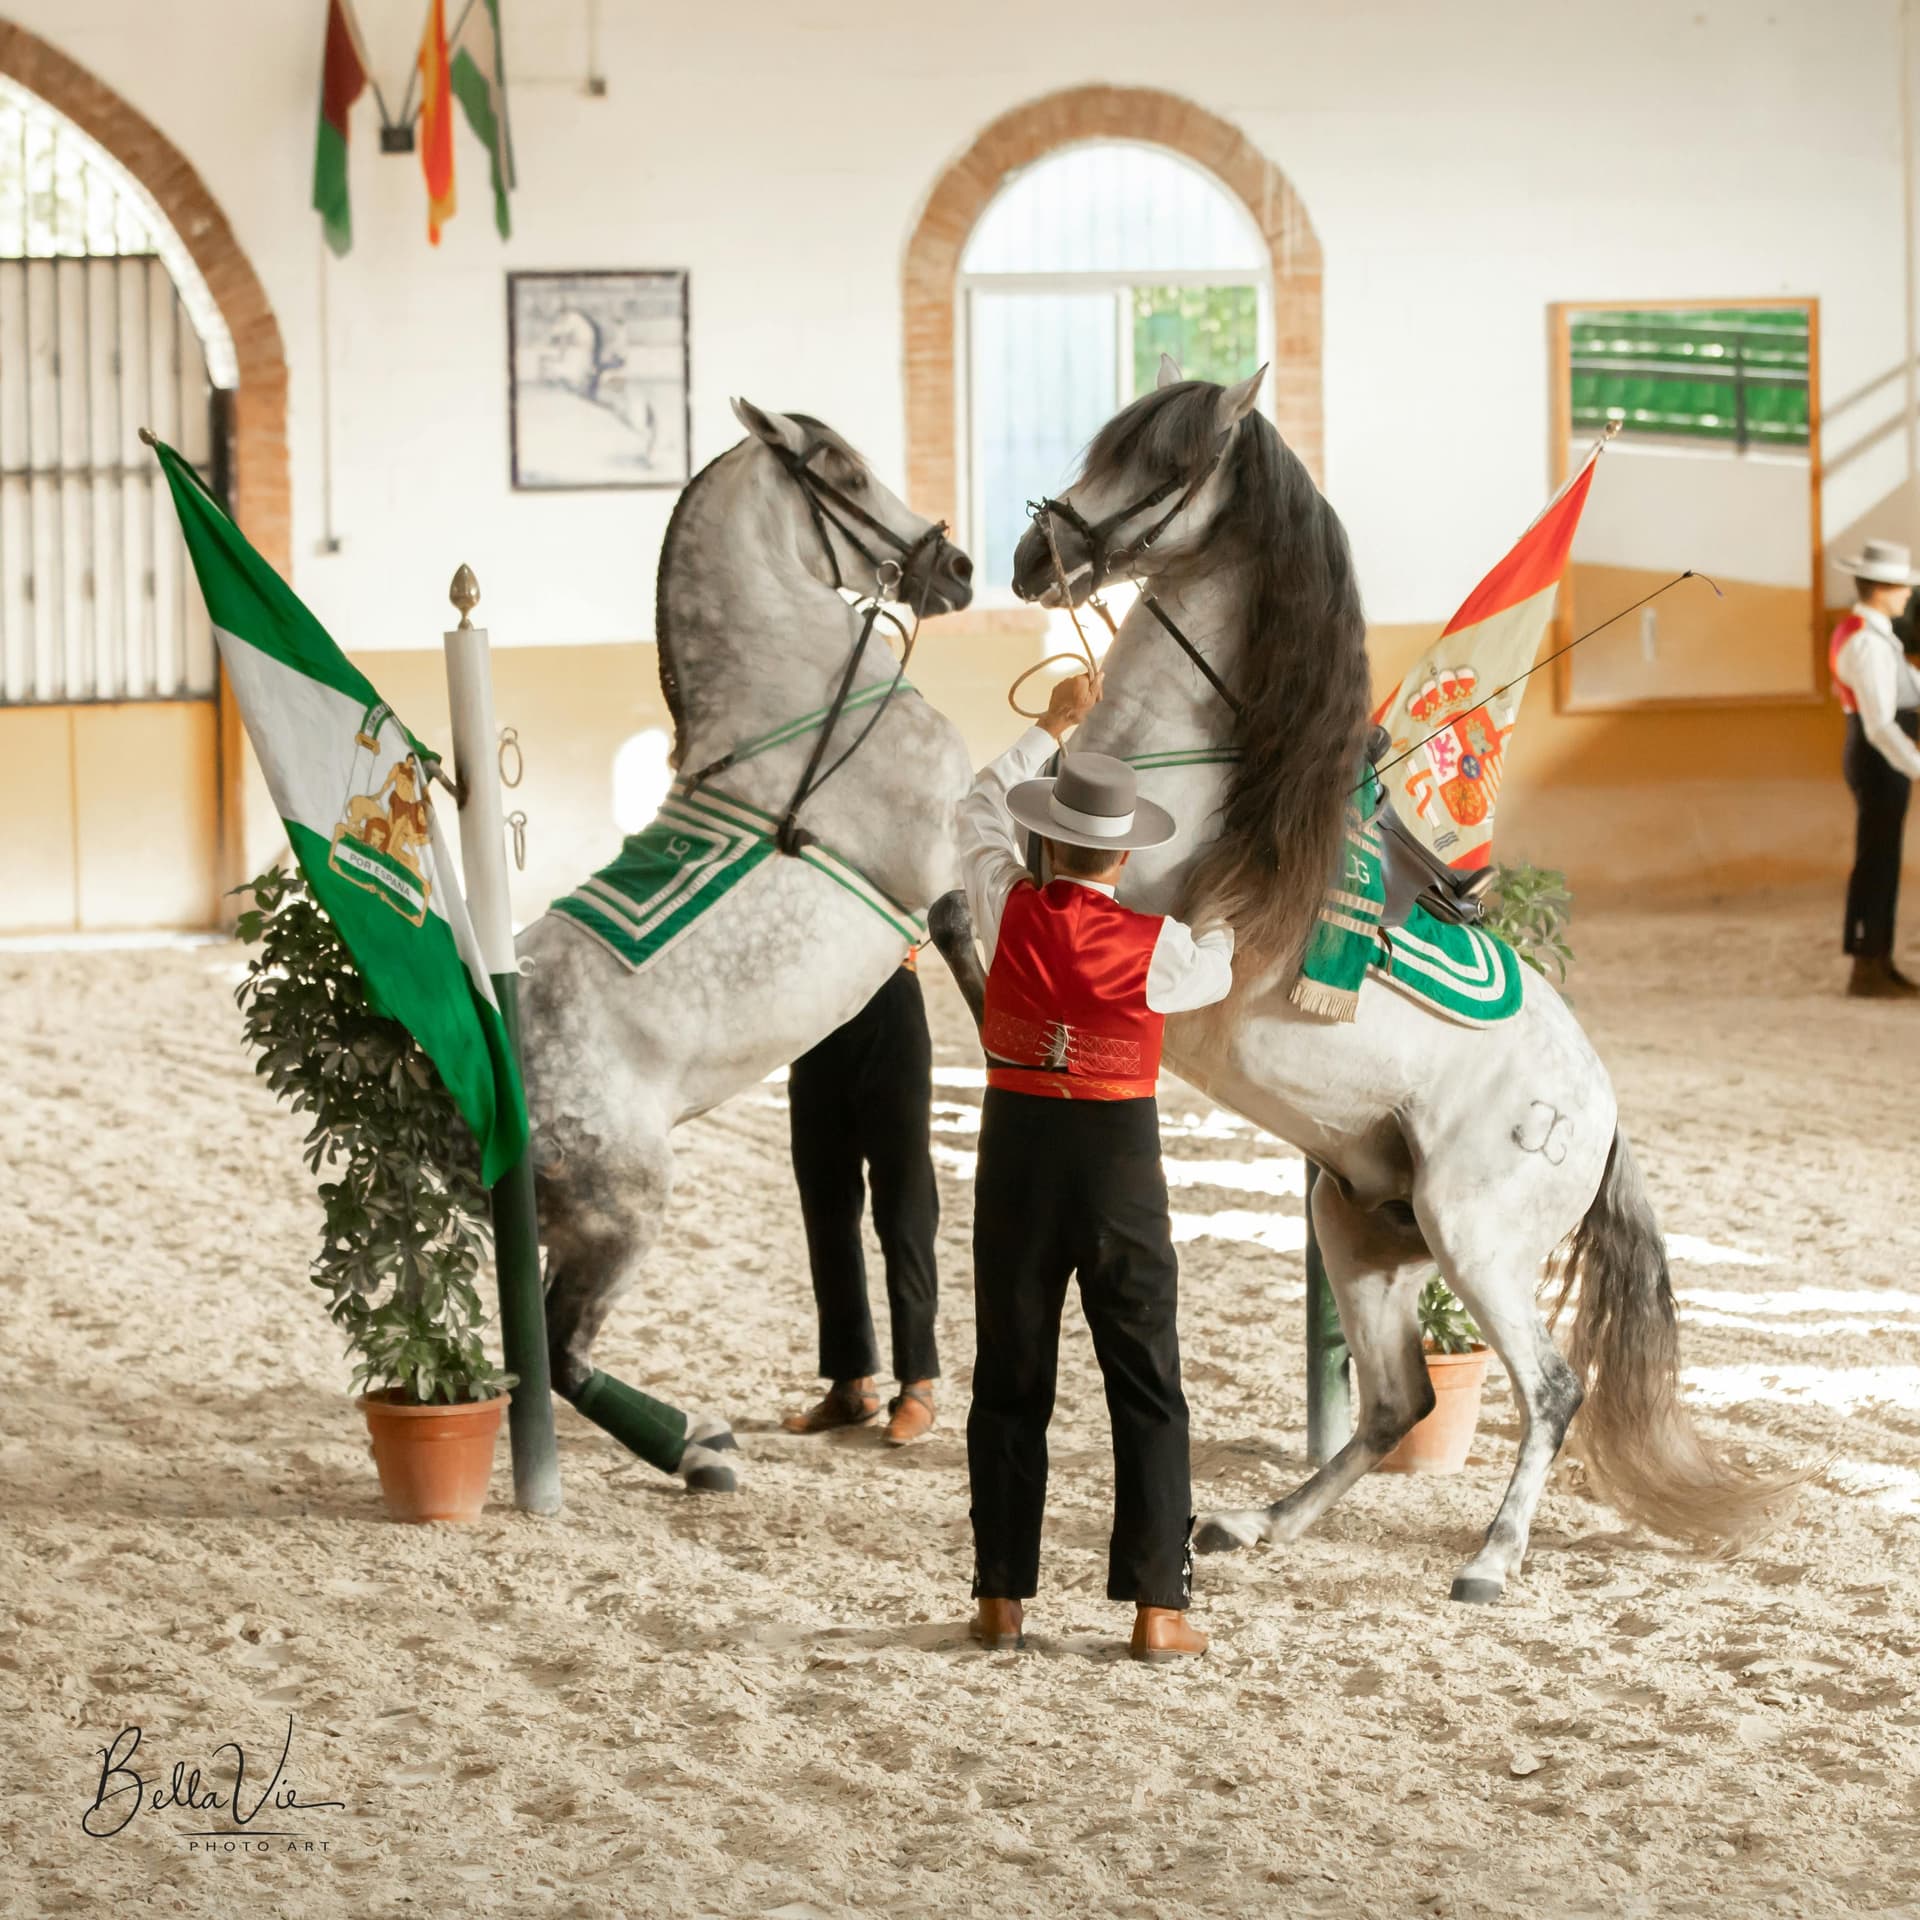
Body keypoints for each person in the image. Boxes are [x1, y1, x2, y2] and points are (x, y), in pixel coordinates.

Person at [957, 670, 1235, 1664]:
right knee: (1147, 1380)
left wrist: (1051, 727)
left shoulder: (1004, 902)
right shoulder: (1158, 946)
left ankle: (1000, 1598)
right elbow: (1219, 965)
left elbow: (978, 807)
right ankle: (1159, 1608)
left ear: (1048, 838)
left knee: (1011, 1376)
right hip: (1119, 1162)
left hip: (1017, 1153)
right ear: (1124, 853)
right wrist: (1223, 915)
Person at [781, 954, 941, 1446]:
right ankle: (851, 1385)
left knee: (904, 1207)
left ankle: (918, 1386)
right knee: (825, 1203)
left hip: (888, 992)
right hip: (814, 1006)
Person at [1831, 539, 1920, 998]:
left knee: (1881, 857)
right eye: (1903, 586)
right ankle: (1867, 962)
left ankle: (1877, 958)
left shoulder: (1873, 633)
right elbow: (1881, 723)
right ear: (1883, 587)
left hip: (1884, 758)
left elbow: (1907, 689)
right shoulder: (1866, 640)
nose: (1908, 594)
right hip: (1880, 758)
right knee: (1877, 859)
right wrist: (1917, 764)